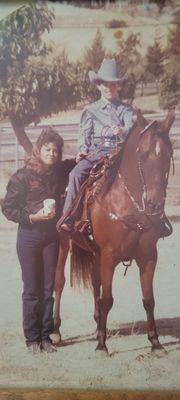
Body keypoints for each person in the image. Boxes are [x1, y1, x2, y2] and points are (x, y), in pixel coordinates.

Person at [1, 127, 68, 354]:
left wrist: (81, 158)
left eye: (56, 150)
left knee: (48, 288)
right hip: (29, 236)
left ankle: (46, 336)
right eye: (48, 149)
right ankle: (31, 339)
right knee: (32, 289)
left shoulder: (59, 172)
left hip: (51, 238)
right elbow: (9, 208)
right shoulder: (22, 176)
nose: (52, 154)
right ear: (38, 150)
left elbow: (73, 165)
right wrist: (32, 217)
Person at [60, 58, 134, 232]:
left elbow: (132, 127)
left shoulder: (126, 110)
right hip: (97, 152)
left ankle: (152, 215)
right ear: (99, 86)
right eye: (105, 85)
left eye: (113, 84)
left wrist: (122, 131)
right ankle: (69, 217)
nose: (109, 88)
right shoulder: (90, 110)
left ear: (118, 86)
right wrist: (82, 151)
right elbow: (84, 134)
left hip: (120, 153)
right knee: (75, 174)